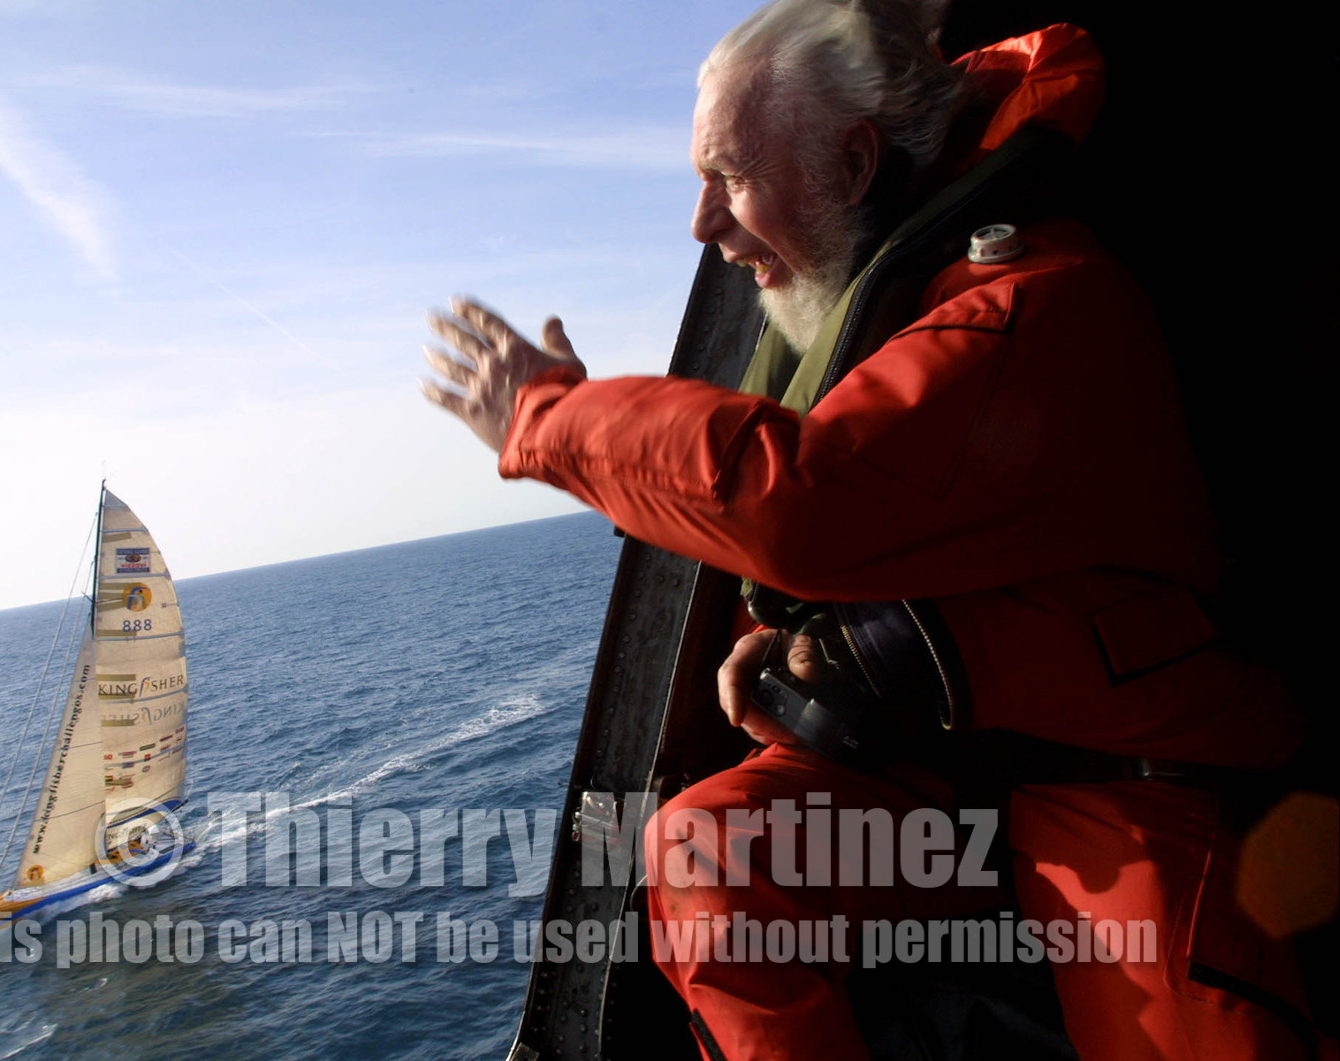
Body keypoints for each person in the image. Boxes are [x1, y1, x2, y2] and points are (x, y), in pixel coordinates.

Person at [421, 1, 1313, 1058]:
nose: (701, 222)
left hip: (1119, 783)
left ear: (852, 163)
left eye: (730, 175)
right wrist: (809, 653)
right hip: (939, 777)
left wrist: (546, 415)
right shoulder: (886, 310)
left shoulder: (1028, 303)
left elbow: (804, 502)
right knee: (702, 852)